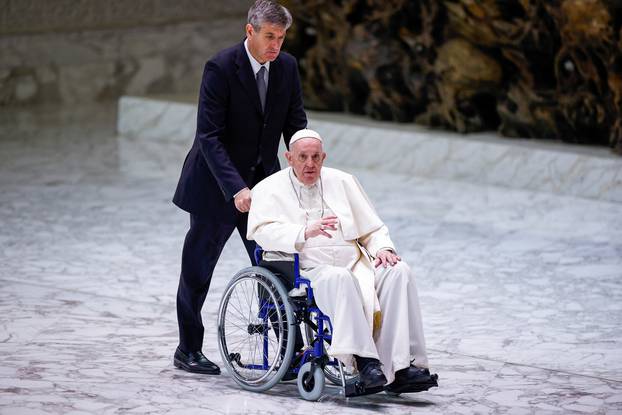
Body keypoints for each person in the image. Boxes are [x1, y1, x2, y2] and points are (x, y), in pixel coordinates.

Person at [172, 0, 307, 375]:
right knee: (197, 272)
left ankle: (288, 353)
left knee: (274, 267)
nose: (275, 46)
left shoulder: (288, 67)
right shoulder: (220, 67)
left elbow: (295, 122)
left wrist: (304, 154)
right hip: (215, 186)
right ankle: (188, 349)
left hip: (263, 187)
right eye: (269, 37)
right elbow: (209, 136)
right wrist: (236, 188)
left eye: (281, 38)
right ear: (249, 31)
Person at [247, 129, 438, 392]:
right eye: (303, 157)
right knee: (339, 277)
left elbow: (372, 228)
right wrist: (303, 231)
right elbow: (262, 233)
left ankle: (402, 366)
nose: (310, 164)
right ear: (289, 157)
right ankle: (366, 362)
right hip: (308, 268)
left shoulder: (343, 181)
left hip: (356, 263)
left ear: (324, 157)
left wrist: (383, 248)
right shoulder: (269, 188)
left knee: (398, 271)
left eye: (316, 157)